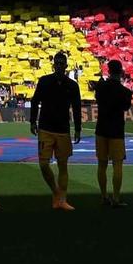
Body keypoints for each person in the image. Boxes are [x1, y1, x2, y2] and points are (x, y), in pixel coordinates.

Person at [30, 51, 83, 211]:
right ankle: (56, 193)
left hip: (63, 129)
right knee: (43, 164)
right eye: (57, 63)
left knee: (63, 166)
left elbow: (77, 108)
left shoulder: (72, 85)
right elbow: (35, 101)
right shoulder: (44, 81)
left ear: (66, 66)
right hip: (45, 128)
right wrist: (32, 121)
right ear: (54, 65)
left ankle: (63, 199)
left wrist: (78, 129)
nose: (59, 66)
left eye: (62, 64)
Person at [91, 58, 133, 207]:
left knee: (102, 165)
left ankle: (104, 196)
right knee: (117, 165)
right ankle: (116, 198)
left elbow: (98, 100)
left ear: (108, 71)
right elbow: (126, 107)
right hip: (116, 130)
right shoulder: (125, 91)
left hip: (101, 129)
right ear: (121, 72)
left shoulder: (101, 87)